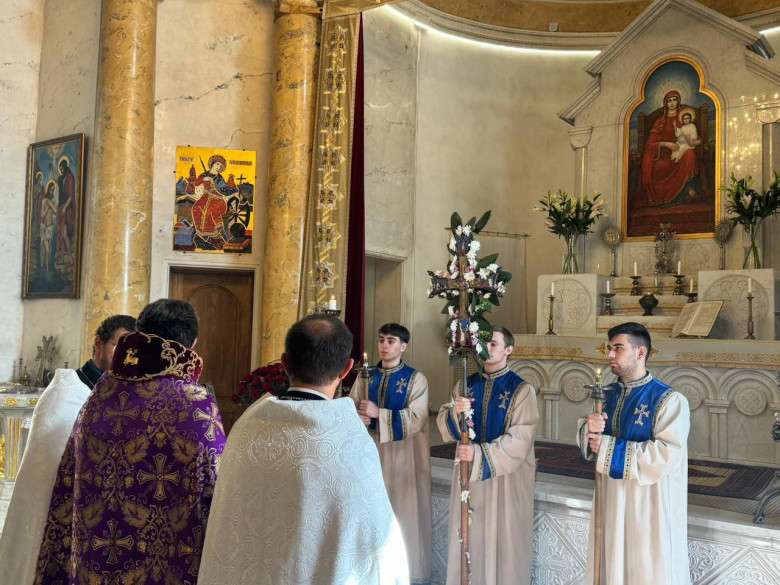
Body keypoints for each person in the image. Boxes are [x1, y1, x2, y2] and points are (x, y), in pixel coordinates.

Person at [198, 314, 409, 585]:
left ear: (285, 363)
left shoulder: (246, 428)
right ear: (346, 369)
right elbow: (377, 547)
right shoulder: (350, 442)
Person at [34, 299, 225, 585]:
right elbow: (216, 486)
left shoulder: (102, 394)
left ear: (140, 336)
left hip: (98, 563)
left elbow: (68, 483)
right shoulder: (195, 404)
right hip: (171, 563)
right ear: (193, 345)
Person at [0, 315, 135, 585]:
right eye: (117, 346)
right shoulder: (67, 396)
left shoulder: (112, 392)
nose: (125, 358)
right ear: (98, 343)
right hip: (52, 523)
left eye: (131, 351)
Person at [576, 322, 690, 585]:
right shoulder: (607, 395)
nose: (610, 354)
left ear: (641, 352)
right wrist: (589, 429)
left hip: (647, 505)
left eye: (618, 348)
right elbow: (590, 440)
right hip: (609, 498)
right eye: (609, 348)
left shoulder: (669, 400)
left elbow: (666, 454)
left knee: (645, 571)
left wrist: (606, 447)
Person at [436, 326, 538, 585]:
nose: (486, 348)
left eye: (493, 344)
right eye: (483, 343)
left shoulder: (521, 390)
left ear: (508, 350)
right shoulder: (466, 384)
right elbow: (445, 423)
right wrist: (455, 412)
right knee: (470, 534)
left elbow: (521, 438)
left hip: (505, 478)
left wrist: (479, 453)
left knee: (502, 539)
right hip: (468, 473)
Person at [349, 323, 432, 585]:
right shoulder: (365, 376)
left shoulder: (416, 379)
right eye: (381, 340)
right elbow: (350, 407)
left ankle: (404, 574)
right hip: (370, 454)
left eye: (391, 341)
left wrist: (379, 414)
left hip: (402, 457)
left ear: (403, 346)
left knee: (401, 514)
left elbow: (417, 418)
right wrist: (358, 418)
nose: (384, 346)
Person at [640, 90, 699, 205]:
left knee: (690, 154)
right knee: (658, 167)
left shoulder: (684, 118)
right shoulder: (660, 121)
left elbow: (692, 135)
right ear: (665, 103)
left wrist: (687, 142)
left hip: (682, 150)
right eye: (669, 101)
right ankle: (660, 197)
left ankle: (688, 189)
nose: (672, 103)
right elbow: (650, 144)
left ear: (678, 101)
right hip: (664, 155)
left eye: (674, 100)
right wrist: (666, 144)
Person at [76, 314, 137, 389]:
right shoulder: (72, 386)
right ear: (98, 343)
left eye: (133, 352)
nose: (126, 358)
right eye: (120, 348)